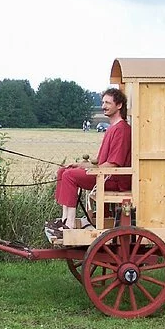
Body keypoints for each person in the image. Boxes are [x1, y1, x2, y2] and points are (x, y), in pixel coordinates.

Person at [46, 88, 131, 233]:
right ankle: (63, 219)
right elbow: (102, 161)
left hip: (114, 179)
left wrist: (89, 170)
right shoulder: (112, 128)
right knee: (63, 171)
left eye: (108, 103)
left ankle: (69, 224)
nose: (103, 106)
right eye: (103, 102)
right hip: (104, 174)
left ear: (119, 105)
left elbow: (113, 164)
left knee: (69, 176)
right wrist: (80, 165)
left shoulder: (122, 129)